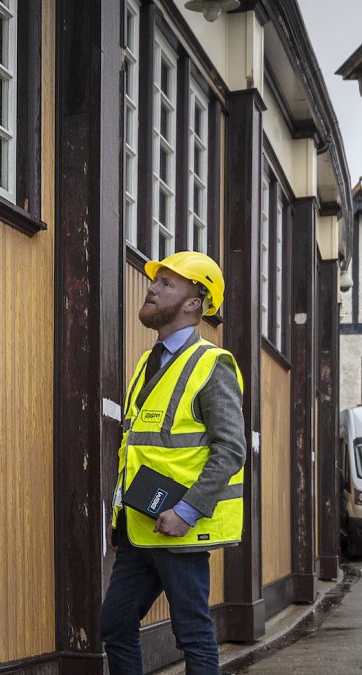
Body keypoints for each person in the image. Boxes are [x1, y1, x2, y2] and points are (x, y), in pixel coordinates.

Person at [99, 251, 247, 675]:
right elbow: (134, 446)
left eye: (166, 284)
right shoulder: (149, 362)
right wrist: (118, 516)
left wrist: (186, 511)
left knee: (193, 635)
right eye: (156, 280)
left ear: (193, 303)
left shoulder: (211, 364)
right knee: (114, 624)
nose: (152, 288)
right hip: (138, 526)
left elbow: (231, 449)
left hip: (179, 527)